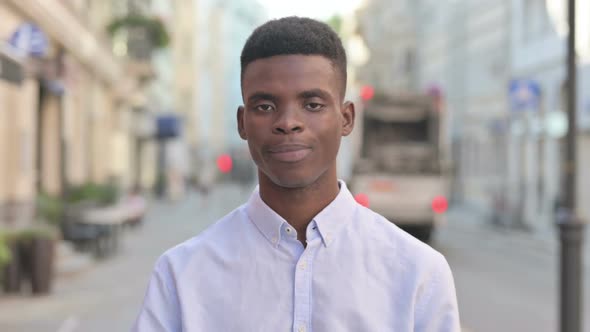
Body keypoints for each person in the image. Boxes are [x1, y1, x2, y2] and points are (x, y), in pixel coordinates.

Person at [132, 16, 460, 332]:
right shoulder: (181, 275)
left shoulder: (418, 272)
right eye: (264, 106)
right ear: (242, 123)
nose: (288, 122)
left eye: (313, 104)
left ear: (346, 118)